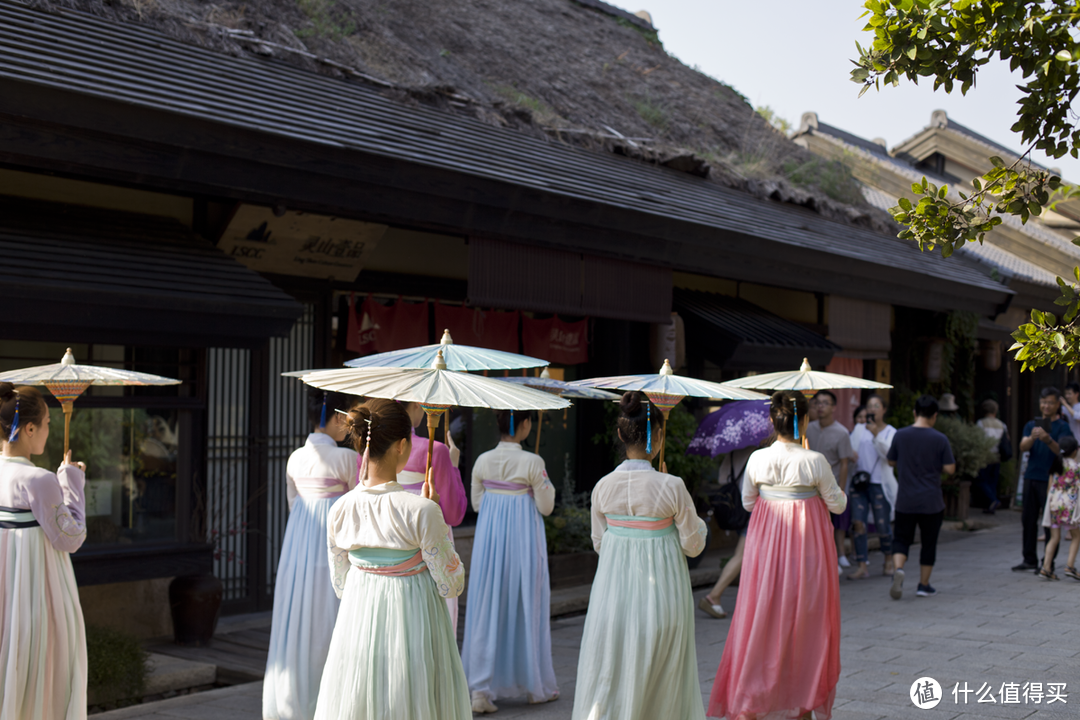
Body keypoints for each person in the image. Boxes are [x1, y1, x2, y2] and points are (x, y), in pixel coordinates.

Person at [315, 399, 470, 720]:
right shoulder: (423, 511)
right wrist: (433, 513)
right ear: (402, 446)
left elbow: (341, 583)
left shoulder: (339, 509)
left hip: (357, 621)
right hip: (413, 617)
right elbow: (451, 583)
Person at [708, 391, 846, 720]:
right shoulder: (815, 461)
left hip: (765, 552)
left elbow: (748, 503)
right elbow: (838, 504)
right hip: (807, 550)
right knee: (805, 622)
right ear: (805, 421)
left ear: (772, 421)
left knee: (760, 618)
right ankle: (801, 699)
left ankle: (753, 697)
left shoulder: (757, 459)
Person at [572, 392, 707, 720]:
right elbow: (694, 545)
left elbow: (600, 543)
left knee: (611, 666)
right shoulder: (672, 486)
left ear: (619, 434)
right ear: (659, 435)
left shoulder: (603, 486)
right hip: (664, 594)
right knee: (666, 672)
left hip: (613, 594)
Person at [263, 390, 357, 720]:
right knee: (328, 620)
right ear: (333, 418)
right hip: (331, 547)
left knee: (298, 618)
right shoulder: (347, 459)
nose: (347, 425)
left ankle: (293, 701)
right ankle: (328, 702)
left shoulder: (294, 458)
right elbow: (358, 507)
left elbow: (293, 504)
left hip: (297, 549)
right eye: (345, 418)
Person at [0, 384, 88, 720]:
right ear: (30, 428)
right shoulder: (38, 480)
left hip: (6, 585)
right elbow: (71, 537)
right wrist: (72, 482)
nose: (50, 430)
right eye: (48, 423)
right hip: (34, 590)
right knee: (44, 671)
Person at [462, 410, 558, 714]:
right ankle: (533, 686)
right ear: (526, 425)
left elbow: (477, 503)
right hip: (523, 542)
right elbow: (546, 506)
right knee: (526, 604)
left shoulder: (482, 461)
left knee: (486, 606)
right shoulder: (533, 462)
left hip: (490, 542)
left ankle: (480, 689)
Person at [399, 402, 467, 632]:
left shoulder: (371, 450)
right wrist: (454, 465)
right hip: (425, 533)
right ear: (416, 406)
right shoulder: (434, 451)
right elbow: (454, 513)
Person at [885, 395, 957, 599]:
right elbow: (950, 468)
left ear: (914, 413)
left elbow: (891, 461)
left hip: (905, 499)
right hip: (931, 501)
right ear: (934, 415)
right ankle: (923, 585)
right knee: (929, 543)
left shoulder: (900, 435)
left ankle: (898, 569)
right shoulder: (939, 439)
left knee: (901, 539)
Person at [1013, 387, 1073, 572]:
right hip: (1031, 476)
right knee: (1028, 519)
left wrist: (1047, 439)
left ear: (1057, 405)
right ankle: (1028, 558)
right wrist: (1033, 437)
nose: (1046, 406)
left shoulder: (1063, 427)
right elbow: (1022, 446)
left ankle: (1048, 563)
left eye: (1050, 402)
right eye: (1043, 402)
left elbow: (1063, 452)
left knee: (1050, 522)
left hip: (1052, 480)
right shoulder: (1032, 425)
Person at [698, 446, 753, 619]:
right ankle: (714, 595)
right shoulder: (758, 454)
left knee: (749, 555)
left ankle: (751, 602)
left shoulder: (732, 453)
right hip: (753, 509)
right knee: (742, 554)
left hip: (737, 509)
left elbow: (722, 478)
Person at [847, 394, 897, 579]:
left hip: (879, 484)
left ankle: (888, 560)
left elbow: (890, 456)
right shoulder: (859, 429)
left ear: (884, 409)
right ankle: (862, 565)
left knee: (883, 525)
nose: (872, 409)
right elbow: (851, 449)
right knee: (858, 523)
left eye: (877, 405)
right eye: (869, 406)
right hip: (859, 483)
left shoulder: (890, 431)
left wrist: (876, 434)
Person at [806, 390, 854, 576]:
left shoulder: (841, 433)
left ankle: (835, 557)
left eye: (825, 403)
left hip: (830, 485)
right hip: (810, 487)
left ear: (834, 407)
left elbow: (844, 464)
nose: (820, 406)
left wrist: (839, 490)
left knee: (831, 525)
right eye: (817, 403)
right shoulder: (808, 428)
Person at [1039, 436, 1080, 580]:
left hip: (1054, 504)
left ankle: (1046, 568)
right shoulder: (1076, 467)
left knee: (1054, 537)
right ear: (1075, 451)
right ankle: (1070, 565)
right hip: (1069, 506)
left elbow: (1050, 487)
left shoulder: (1056, 464)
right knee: (1076, 537)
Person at [975, 399, 1007, 514]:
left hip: (984, 456)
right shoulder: (1001, 424)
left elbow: (977, 439)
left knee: (981, 480)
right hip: (996, 456)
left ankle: (992, 501)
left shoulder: (981, 423)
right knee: (992, 482)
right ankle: (990, 506)